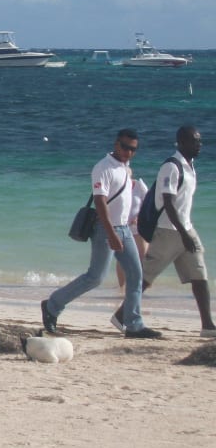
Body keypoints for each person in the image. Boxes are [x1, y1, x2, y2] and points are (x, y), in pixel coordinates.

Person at [41, 128, 162, 338]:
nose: (128, 152)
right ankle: (52, 305)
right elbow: (100, 202)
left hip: (124, 228)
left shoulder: (125, 167)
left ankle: (133, 324)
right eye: (124, 147)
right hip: (106, 230)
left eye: (133, 149)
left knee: (136, 275)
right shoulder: (103, 167)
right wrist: (111, 234)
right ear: (116, 144)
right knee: (95, 277)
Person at [111, 125, 216, 337]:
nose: (199, 145)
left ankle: (207, 326)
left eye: (199, 141)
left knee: (199, 275)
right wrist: (184, 234)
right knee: (146, 278)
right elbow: (168, 202)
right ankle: (122, 316)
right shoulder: (171, 166)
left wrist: (187, 232)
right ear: (182, 142)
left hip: (185, 229)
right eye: (195, 141)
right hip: (167, 232)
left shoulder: (190, 165)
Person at [116, 172, 149, 288]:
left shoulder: (139, 186)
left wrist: (139, 217)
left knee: (143, 257)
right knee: (121, 259)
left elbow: (149, 204)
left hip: (139, 228)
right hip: (122, 227)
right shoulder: (117, 187)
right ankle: (122, 288)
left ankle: (141, 286)